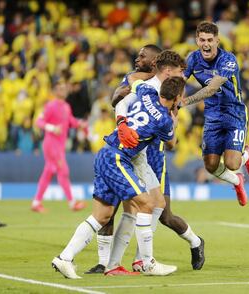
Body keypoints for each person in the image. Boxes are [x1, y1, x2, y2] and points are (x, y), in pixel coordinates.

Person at [52, 76, 185, 278]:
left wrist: (122, 120)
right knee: (147, 204)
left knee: (103, 215)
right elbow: (171, 142)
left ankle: (64, 258)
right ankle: (148, 263)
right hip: (118, 158)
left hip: (105, 152)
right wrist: (174, 118)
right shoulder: (164, 121)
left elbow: (131, 89)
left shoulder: (146, 92)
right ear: (177, 98)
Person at [86, 49, 205, 275]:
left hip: (152, 156)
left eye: (142, 56)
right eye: (181, 71)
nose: (137, 60)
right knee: (123, 208)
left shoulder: (167, 91)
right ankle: (112, 263)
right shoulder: (144, 84)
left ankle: (191, 242)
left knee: (161, 212)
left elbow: (170, 141)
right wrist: (123, 118)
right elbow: (116, 100)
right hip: (130, 151)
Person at [183, 21, 249, 206]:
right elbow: (179, 83)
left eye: (210, 40)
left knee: (233, 163)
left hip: (234, 113)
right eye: (202, 40)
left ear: (217, 40)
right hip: (212, 115)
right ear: (197, 40)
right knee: (210, 166)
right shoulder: (192, 59)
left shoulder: (228, 60)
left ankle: (245, 154)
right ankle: (237, 181)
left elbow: (211, 89)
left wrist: (184, 102)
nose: (206, 44)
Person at [31, 79, 87, 213]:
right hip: (51, 144)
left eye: (64, 88)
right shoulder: (51, 106)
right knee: (63, 170)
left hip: (59, 145)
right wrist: (51, 127)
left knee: (49, 172)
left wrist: (79, 124)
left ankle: (36, 202)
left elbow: (70, 121)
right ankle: (72, 203)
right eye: (60, 88)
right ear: (55, 91)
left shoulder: (66, 106)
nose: (63, 90)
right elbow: (39, 122)